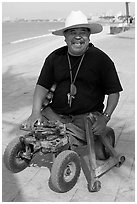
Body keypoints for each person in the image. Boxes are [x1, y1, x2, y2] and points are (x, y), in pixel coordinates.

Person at [22, 10, 123, 142]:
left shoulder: (101, 59)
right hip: (55, 114)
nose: (78, 37)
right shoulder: (55, 57)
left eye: (82, 32)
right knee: (33, 135)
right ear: (65, 37)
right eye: (73, 33)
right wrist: (35, 112)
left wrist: (105, 118)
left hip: (85, 118)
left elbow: (114, 92)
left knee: (67, 142)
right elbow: (42, 85)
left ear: (89, 36)